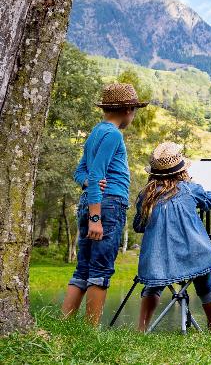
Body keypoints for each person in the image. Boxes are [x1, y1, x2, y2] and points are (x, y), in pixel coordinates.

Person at [61, 83, 147, 325]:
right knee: (101, 269)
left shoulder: (96, 133)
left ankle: (64, 325)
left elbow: (80, 173)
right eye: (134, 110)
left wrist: (88, 183)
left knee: (83, 269)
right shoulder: (113, 135)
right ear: (128, 109)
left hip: (90, 203)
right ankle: (90, 331)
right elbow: (98, 172)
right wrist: (95, 218)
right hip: (106, 206)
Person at [133, 141, 211, 332]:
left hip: (159, 261)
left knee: (152, 287)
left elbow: (138, 226)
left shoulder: (145, 196)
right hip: (195, 256)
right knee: (205, 287)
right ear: (181, 170)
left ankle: (141, 329)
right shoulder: (190, 188)